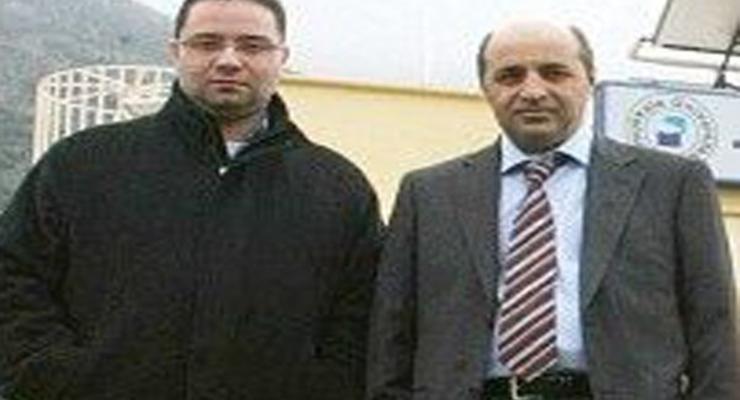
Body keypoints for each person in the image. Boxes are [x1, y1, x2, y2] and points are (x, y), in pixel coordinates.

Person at [0, 0, 383, 399]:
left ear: (281, 58)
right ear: (176, 52)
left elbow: (361, 317)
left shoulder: (338, 189)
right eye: (207, 43)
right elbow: (13, 276)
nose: (229, 60)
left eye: (252, 46)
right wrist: (52, 378)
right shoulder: (82, 163)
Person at [367, 20, 737, 400]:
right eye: (510, 76)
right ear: (486, 88)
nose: (533, 91)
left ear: (589, 80)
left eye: (554, 73)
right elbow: (391, 334)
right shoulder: (428, 194)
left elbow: (713, 325)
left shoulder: (672, 183)